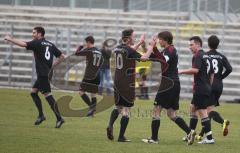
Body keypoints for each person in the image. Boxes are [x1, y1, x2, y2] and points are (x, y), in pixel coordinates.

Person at [4, 26, 65, 128]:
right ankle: (41, 115)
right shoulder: (50, 44)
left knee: (48, 95)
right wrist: (52, 65)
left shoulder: (37, 43)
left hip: (43, 74)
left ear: (40, 34)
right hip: (46, 73)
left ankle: (59, 118)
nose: (32, 35)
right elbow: (62, 56)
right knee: (33, 92)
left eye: (34, 33)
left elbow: (24, 44)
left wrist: (10, 39)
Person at [141, 31, 193, 144]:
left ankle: (154, 139)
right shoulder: (167, 50)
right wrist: (149, 47)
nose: (159, 41)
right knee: (171, 113)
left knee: (156, 110)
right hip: (174, 83)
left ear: (165, 40)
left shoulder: (170, 50)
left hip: (168, 84)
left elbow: (163, 60)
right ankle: (190, 132)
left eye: (160, 39)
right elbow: (154, 57)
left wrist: (151, 47)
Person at [106, 28, 152, 142]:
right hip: (127, 82)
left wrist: (140, 43)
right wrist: (151, 46)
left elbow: (129, 50)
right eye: (133, 36)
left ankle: (110, 124)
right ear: (128, 38)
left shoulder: (117, 48)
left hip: (117, 80)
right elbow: (145, 58)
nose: (134, 38)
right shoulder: (129, 50)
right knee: (126, 109)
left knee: (118, 106)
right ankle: (121, 137)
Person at [179, 36, 215, 144]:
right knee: (192, 108)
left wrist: (181, 71)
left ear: (198, 45)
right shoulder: (207, 56)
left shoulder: (198, 55)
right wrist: (208, 85)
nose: (189, 47)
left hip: (201, 88)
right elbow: (212, 73)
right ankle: (191, 134)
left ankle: (209, 138)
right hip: (206, 87)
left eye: (191, 45)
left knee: (202, 112)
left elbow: (195, 70)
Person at [196, 35, 232, 140]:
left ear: (208, 44)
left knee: (207, 111)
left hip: (209, 84)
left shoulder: (205, 55)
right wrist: (220, 77)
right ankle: (201, 134)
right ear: (218, 44)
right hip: (219, 85)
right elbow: (229, 68)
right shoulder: (221, 56)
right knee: (208, 111)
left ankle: (222, 122)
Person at [75, 36, 103, 117]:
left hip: (89, 75)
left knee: (81, 92)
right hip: (97, 75)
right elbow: (102, 62)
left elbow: (77, 53)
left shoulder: (88, 50)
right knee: (93, 94)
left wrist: (80, 46)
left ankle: (92, 107)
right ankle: (92, 113)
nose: (85, 44)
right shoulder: (99, 51)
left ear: (88, 42)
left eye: (85, 42)